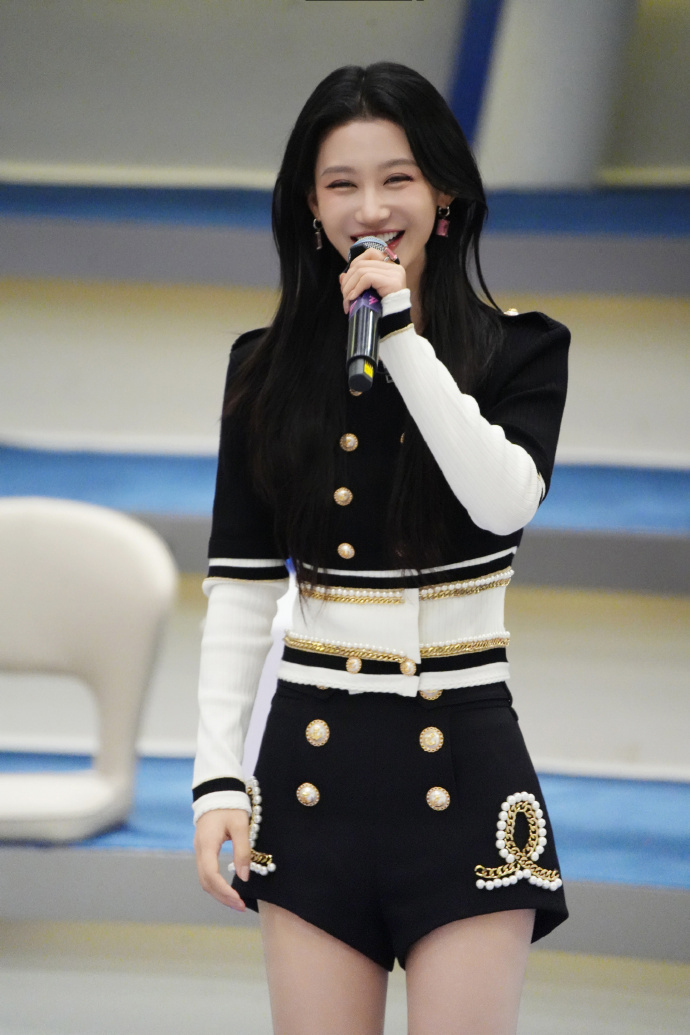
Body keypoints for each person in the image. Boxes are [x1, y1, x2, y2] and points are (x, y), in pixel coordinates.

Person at [193, 62, 569, 1035]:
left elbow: (502, 503)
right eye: (341, 184)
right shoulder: (262, 369)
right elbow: (241, 587)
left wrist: (399, 335)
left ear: (444, 195)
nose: (370, 208)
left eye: (398, 178)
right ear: (310, 207)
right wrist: (216, 779)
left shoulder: (524, 350)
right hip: (313, 768)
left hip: (466, 760)